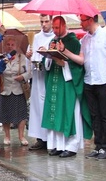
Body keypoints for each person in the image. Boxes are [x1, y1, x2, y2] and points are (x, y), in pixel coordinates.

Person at [39, 16, 92, 157]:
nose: (55, 31)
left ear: (64, 26)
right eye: (54, 27)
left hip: (68, 84)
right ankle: (57, 145)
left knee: (68, 113)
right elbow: (47, 63)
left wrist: (65, 64)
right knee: (55, 113)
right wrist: (47, 55)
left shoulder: (74, 42)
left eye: (57, 27)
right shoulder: (53, 41)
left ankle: (71, 146)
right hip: (54, 82)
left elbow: (80, 64)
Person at [79, 14, 106, 160]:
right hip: (90, 81)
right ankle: (98, 145)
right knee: (94, 115)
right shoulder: (85, 39)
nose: (80, 24)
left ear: (89, 20)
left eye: (82, 21)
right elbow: (82, 60)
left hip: (104, 81)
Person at [26, 14, 55, 150]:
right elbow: (29, 58)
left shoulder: (55, 38)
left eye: (46, 21)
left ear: (52, 21)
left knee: (48, 107)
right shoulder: (36, 37)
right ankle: (40, 138)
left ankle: (51, 138)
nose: (43, 24)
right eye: (41, 21)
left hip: (49, 77)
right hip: (37, 77)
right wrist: (29, 57)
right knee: (37, 107)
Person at [0, 37, 30, 147]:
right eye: (8, 44)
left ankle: (21, 136)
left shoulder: (22, 58)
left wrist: (23, 76)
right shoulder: (1, 58)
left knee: (21, 114)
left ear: (16, 46)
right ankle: (7, 136)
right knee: (5, 114)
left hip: (18, 89)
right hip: (5, 90)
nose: (10, 46)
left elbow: (30, 72)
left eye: (12, 44)